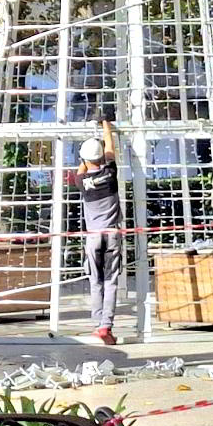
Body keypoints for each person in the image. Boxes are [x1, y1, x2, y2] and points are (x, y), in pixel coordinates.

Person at [77, 109, 122, 345]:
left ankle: (97, 324)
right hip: (112, 234)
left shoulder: (81, 182)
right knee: (111, 280)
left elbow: (82, 170)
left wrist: (85, 160)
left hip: (93, 237)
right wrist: (105, 123)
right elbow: (109, 148)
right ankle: (106, 326)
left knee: (95, 280)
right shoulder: (110, 173)